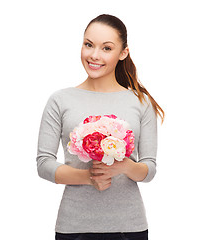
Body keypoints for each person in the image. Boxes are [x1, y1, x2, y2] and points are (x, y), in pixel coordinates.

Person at [36, 14, 164, 240]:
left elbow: (149, 169)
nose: (94, 55)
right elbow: (44, 163)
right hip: (73, 227)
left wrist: (124, 166)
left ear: (123, 53)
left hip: (129, 227)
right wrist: (87, 177)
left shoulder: (141, 102)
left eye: (106, 48)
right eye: (88, 45)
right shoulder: (60, 100)